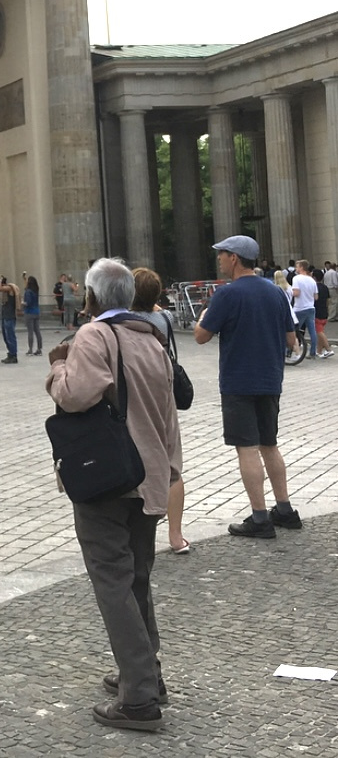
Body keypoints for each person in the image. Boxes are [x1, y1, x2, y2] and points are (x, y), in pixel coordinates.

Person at [46, 257, 181, 732]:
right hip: (150, 474)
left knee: (113, 583)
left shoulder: (94, 335)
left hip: (109, 479)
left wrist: (57, 366)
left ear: (91, 297)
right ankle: (146, 674)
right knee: (136, 577)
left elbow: (75, 395)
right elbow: (168, 415)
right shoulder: (152, 339)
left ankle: (139, 698)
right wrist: (170, 471)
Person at [194, 235, 302, 538]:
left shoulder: (227, 294)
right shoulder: (275, 292)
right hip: (270, 379)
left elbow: (201, 336)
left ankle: (259, 518)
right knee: (269, 444)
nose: (219, 259)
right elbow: (291, 340)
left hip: (239, 382)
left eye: (222, 254)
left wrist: (203, 317)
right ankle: (285, 509)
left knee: (247, 448)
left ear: (234, 258)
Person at [133, 267, 190, 554]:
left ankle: (140, 533)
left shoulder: (124, 321)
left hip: (135, 395)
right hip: (164, 392)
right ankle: (176, 536)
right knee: (172, 466)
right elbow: (159, 310)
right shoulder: (164, 317)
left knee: (139, 460)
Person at [290, 259, 318, 358]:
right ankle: (312, 352)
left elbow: (296, 293)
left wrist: (289, 292)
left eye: (297, 266)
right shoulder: (312, 280)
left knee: (292, 330)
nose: (296, 268)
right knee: (312, 331)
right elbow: (316, 297)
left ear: (301, 267)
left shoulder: (296, 278)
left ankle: (289, 350)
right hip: (311, 307)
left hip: (300, 308)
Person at [0, 276, 19, 363]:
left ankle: (13, 355)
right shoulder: (5, 291)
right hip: (5, 315)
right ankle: (10, 353)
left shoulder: (10, 288)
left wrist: (0, 279)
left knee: (10, 336)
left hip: (10, 316)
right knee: (6, 337)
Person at [311, 268, 333, 356]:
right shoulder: (325, 287)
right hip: (324, 311)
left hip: (317, 311)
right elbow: (328, 300)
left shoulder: (314, 288)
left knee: (319, 331)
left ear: (314, 277)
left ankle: (328, 349)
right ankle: (319, 351)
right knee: (321, 331)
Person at [22, 275, 43, 356]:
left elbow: (28, 303)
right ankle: (39, 349)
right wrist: (24, 279)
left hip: (29, 312)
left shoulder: (28, 292)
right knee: (37, 331)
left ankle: (30, 349)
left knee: (30, 332)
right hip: (36, 312)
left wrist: (22, 303)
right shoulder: (36, 290)